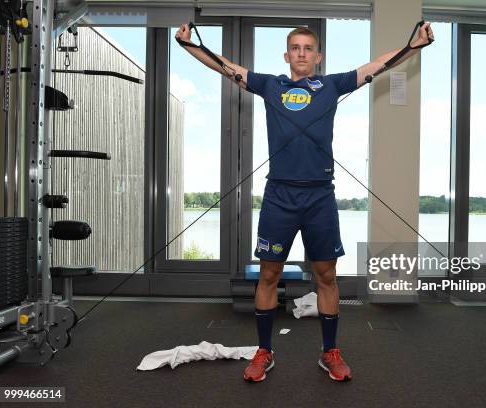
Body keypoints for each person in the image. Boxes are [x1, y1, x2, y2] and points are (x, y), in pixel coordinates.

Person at [175, 22, 433, 382]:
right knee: (269, 274)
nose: (301, 53)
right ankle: (264, 351)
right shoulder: (270, 85)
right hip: (279, 194)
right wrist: (188, 44)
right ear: (286, 54)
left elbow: (378, 66)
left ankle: (330, 352)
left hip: (319, 196)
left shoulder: (331, 85)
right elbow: (223, 65)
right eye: (295, 47)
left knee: (327, 275)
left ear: (318, 56)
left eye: (308, 47)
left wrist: (415, 44)